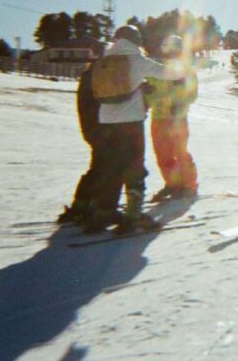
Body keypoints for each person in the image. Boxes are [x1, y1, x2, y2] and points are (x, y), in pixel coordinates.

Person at [86, 25, 185, 232]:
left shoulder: (105, 60)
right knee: (134, 167)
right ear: (135, 40)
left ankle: (104, 212)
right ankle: (133, 215)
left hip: (105, 121)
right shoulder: (136, 59)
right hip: (130, 122)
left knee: (111, 167)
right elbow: (165, 73)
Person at [57, 57, 111, 224]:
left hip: (92, 128)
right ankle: (91, 204)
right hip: (101, 129)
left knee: (97, 167)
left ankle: (81, 203)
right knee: (104, 167)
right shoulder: (98, 75)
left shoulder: (90, 74)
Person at [146, 35, 199, 201]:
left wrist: (181, 104)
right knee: (163, 154)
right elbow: (150, 92)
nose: (170, 52)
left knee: (180, 152)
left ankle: (189, 185)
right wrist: (146, 99)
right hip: (159, 117)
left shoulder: (186, 70)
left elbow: (192, 93)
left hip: (177, 118)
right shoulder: (157, 70)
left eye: (174, 49)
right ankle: (172, 184)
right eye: (167, 48)